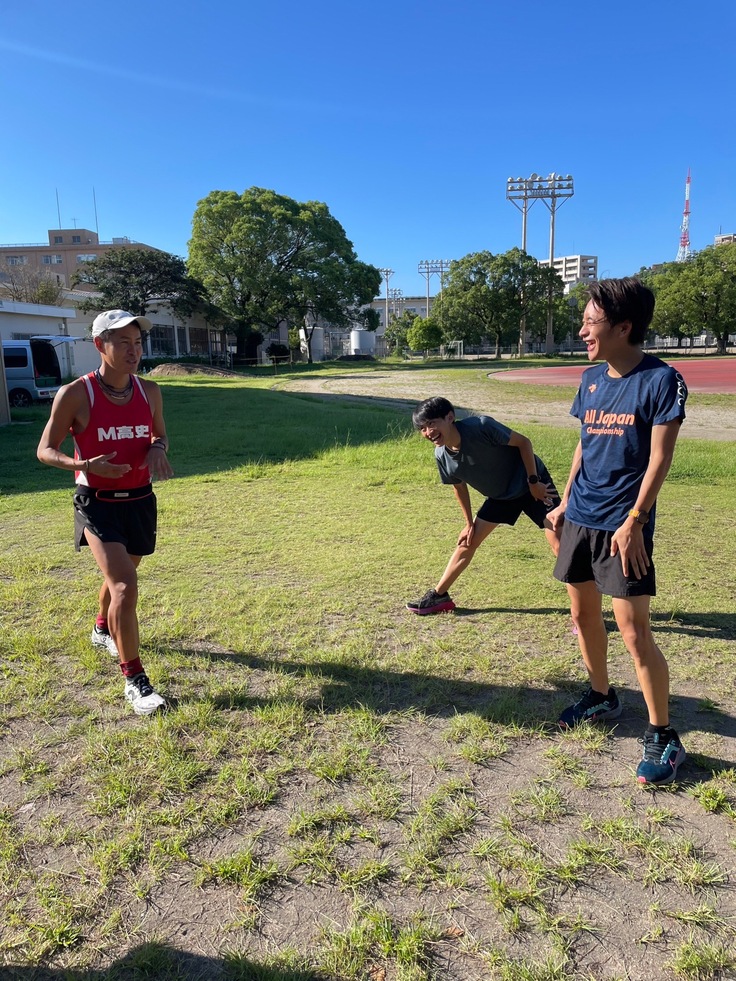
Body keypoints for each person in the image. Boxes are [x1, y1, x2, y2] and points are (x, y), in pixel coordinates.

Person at [548, 278, 688, 785]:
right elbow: (584, 445)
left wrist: (635, 522)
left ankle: (663, 734)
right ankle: (602, 696)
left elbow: (660, 458)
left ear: (624, 327)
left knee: (633, 631)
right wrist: (565, 501)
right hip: (581, 517)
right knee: (583, 615)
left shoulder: (662, 380)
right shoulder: (589, 379)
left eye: (591, 321)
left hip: (622, 526)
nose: (583, 329)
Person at [37, 309, 173, 715]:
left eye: (138, 343)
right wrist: (83, 465)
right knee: (125, 587)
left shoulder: (149, 391)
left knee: (120, 579)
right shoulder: (76, 393)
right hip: (97, 504)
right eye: (123, 343)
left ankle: (102, 628)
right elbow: (45, 450)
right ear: (100, 345)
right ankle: (134, 680)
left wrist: (156, 448)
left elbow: (160, 433)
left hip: (140, 500)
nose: (134, 351)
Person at [407, 396, 561, 614]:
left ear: (450, 417)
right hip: (500, 497)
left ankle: (584, 609)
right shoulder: (441, 455)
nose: (427, 432)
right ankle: (439, 596)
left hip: (531, 485)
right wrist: (468, 523)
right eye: (422, 428)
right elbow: (459, 487)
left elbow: (524, 443)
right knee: (467, 542)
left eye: (431, 424)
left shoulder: (481, 427)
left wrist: (534, 482)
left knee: (560, 543)